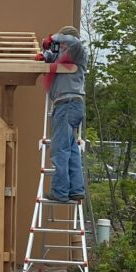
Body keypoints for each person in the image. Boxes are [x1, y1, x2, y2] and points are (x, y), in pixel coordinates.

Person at [40, 25, 88, 203]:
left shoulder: (77, 51)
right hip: (71, 105)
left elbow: (72, 41)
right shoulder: (64, 57)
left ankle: (59, 192)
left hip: (67, 105)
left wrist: (53, 37)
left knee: (60, 149)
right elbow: (49, 60)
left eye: (61, 43)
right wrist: (44, 55)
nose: (59, 47)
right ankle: (76, 190)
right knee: (71, 149)